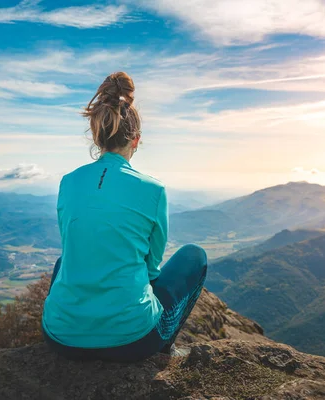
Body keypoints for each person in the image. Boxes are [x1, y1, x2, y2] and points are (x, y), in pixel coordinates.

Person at [41, 71, 207, 362]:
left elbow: (72, 245)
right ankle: (164, 349)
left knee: (63, 262)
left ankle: (75, 321)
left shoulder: (68, 182)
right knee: (195, 256)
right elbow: (152, 268)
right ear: (136, 140)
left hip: (60, 337)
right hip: (133, 341)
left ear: (97, 136)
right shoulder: (153, 190)